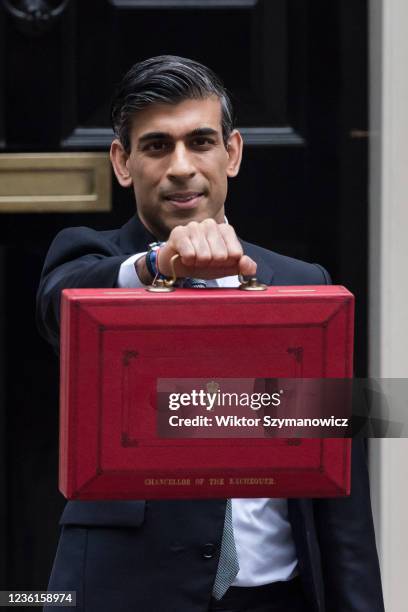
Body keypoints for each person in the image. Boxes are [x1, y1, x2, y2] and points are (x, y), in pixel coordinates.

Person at [37, 55, 384, 612]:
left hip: (280, 595)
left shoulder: (304, 286)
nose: (181, 166)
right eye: (156, 146)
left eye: (200, 142)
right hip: (128, 594)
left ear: (233, 152)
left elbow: (341, 497)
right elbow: (67, 305)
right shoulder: (89, 260)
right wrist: (159, 265)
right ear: (123, 163)